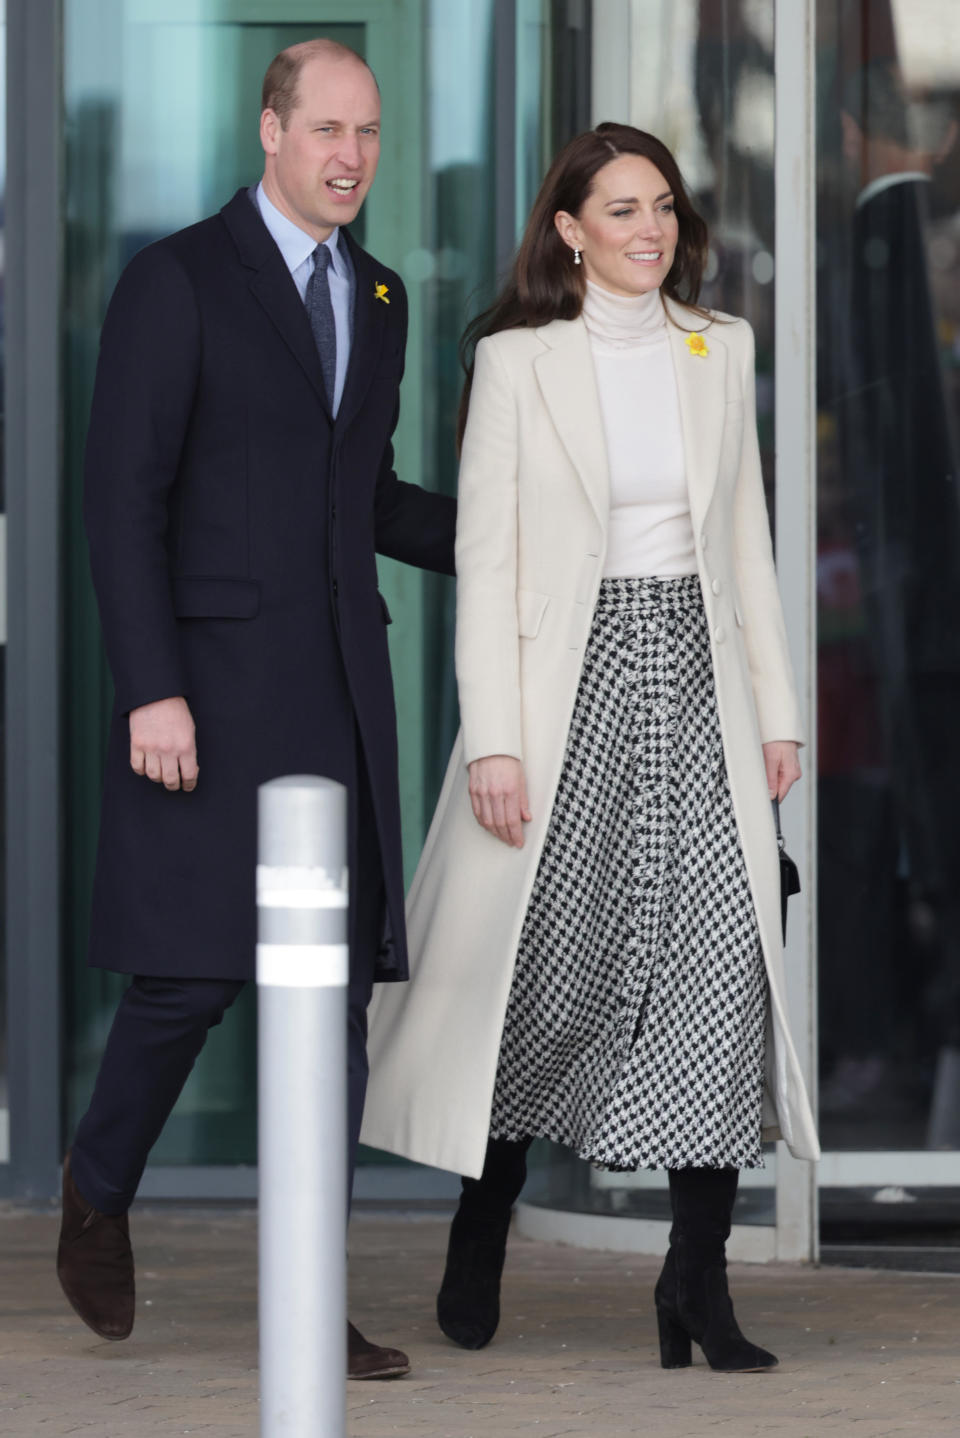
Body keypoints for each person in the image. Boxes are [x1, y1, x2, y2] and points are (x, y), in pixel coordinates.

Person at [361, 123, 819, 1373]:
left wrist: (777, 712)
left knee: (721, 965)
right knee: (549, 967)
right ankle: (482, 1214)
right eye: (620, 209)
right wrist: (494, 743)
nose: (649, 230)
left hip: (702, 680)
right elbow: (493, 564)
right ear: (570, 227)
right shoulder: (518, 360)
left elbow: (744, 549)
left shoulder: (719, 348)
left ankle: (697, 1279)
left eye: (661, 206)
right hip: (570, 688)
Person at [55, 38, 455, 1380]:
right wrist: (151, 685)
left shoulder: (382, 294)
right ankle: (97, 1188)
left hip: (336, 692)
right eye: (329, 128)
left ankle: (311, 1283)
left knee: (334, 997)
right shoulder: (176, 281)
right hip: (209, 697)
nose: (354, 155)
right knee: (190, 978)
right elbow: (122, 498)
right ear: (272, 130)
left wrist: (511, 536)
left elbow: (367, 496)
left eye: (372, 132)